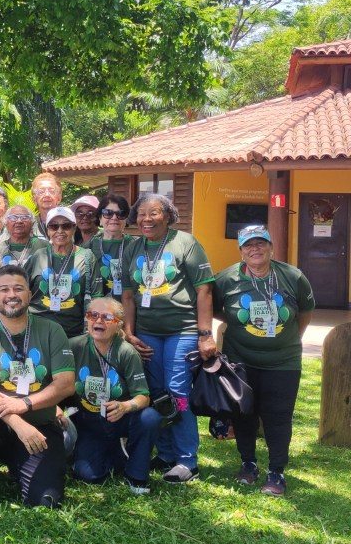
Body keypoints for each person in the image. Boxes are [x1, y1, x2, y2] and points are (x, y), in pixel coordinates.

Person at [0, 265, 75, 507]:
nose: (12, 294)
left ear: (30, 295)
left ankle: (16, 462)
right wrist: (17, 421)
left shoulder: (52, 330)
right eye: (4, 289)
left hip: (39, 421)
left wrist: (25, 404)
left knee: (45, 501)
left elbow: (66, 384)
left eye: (18, 288)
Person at [213, 225, 316, 497]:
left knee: (278, 416)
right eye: (248, 245)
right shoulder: (226, 279)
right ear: (241, 251)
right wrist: (237, 322)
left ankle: (277, 472)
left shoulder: (293, 277)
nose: (255, 249)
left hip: (283, 361)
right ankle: (248, 463)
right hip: (241, 360)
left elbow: (304, 312)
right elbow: (212, 308)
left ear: (271, 247)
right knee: (243, 413)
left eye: (261, 243)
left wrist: (291, 336)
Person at [121, 192, 217, 484]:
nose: (146, 219)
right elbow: (128, 295)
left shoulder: (184, 242)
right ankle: (164, 453)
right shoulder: (133, 247)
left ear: (168, 216)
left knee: (178, 393)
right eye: (141, 214)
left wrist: (205, 334)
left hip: (183, 330)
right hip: (148, 332)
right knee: (156, 391)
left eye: (153, 213)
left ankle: (187, 459)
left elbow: (204, 289)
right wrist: (128, 332)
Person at [69, 297, 161, 495]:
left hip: (118, 418)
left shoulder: (127, 352)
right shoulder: (74, 346)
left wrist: (125, 407)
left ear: (118, 323)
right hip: (89, 421)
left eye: (107, 317)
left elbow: (143, 397)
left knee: (149, 417)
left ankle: (136, 475)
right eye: (93, 315)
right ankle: (117, 452)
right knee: (88, 476)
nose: (98, 321)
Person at [26, 206, 98, 338]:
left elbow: (97, 296)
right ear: (47, 230)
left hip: (72, 333)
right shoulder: (38, 256)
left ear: (74, 228)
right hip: (37, 332)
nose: (60, 231)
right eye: (54, 226)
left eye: (66, 226)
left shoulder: (87, 257)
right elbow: (23, 291)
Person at [85, 193, 137, 300]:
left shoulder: (135, 245)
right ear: (100, 218)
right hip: (98, 311)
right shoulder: (87, 247)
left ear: (126, 219)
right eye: (108, 213)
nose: (114, 218)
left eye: (120, 214)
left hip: (129, 309)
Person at [29, 173, 62, 240]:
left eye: (51, 191)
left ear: (59, 198)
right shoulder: (29, 227)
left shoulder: (69, 224)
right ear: (34, 199)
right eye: (41, 191)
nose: (47, 194)